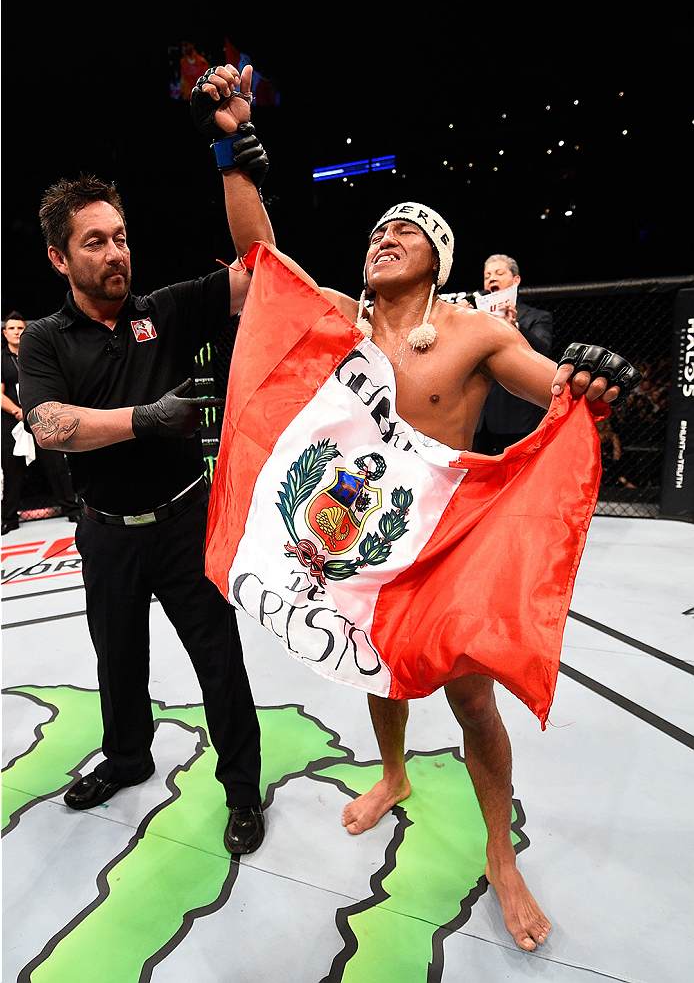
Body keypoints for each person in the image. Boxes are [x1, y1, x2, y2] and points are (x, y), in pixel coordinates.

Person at [194, 66, 639, 948]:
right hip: (358, 546)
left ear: (438, 257)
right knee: (376, 671)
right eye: (378, 231)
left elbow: (557, 392)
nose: (385, 238)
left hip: (441, 547)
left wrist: (594, 379)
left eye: (406, 231)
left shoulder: (474, 329)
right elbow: (262, 258)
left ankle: (500, 858)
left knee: (473, 703)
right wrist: (231, 146)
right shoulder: (337, 322)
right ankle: (393, 772)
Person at [18, 69, 274, 854]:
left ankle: (241, 790)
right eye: (94, 241)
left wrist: (229, 151)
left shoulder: (164, 309)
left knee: (219, 664)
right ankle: (128, 760)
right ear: (60, 258)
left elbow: (262, 266)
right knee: (117, 661)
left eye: (120, 236)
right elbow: (50, 424)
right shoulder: (44, 340)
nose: (115, 251)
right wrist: (144, 418)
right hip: (105, 531)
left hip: (184, 521)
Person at [2, 313, 80, 534]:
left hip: (42, 418)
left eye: (20, 328)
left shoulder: (37, 354)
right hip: (13, 421)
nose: (16, 332)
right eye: (12, 328)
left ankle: (72, 508)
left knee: (56, 465)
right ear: (5, 332)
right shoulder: (2, 359)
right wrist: (18, 411)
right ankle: (8, 518)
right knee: (12, 470)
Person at [472, 255, 554, 455]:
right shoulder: (472, 318)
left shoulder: (536, 317)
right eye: (487, 275)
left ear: (516, 280)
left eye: (499, 273)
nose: (492, 279)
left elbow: (543, 351)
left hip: (515, 419)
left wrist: (515, 327)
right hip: (476, 418)